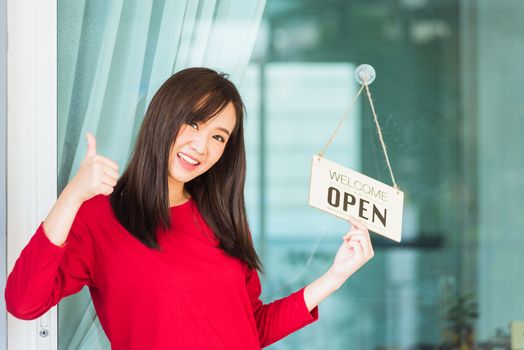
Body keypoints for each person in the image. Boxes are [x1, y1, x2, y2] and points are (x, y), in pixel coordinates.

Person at [5, 67, 374, 349]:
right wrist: (71, 196)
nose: (201, 145)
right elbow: (23, 303)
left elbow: (253, 327)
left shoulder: (221, 219)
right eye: (193, 123)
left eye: (218, 137)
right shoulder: (100, 217)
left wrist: (335, 276)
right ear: (163, 117)